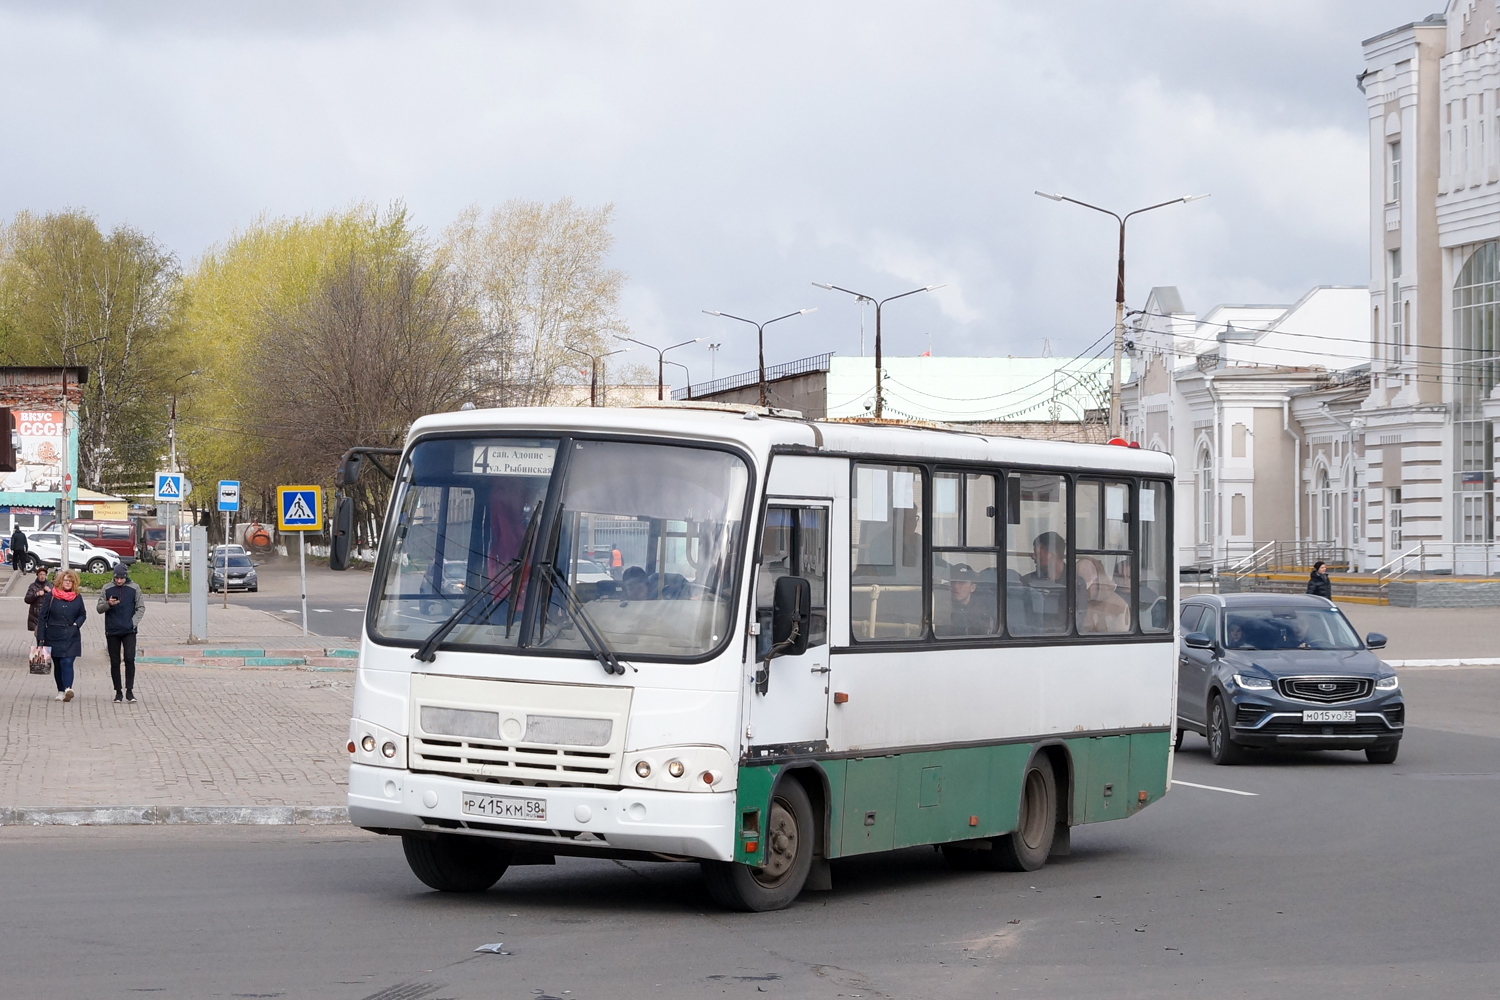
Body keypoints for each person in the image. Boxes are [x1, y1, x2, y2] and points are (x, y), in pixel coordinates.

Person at [98, 564, 146, 703]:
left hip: (129, 631)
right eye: (117, 578)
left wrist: (132, 623)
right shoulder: (107, 588)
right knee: (115, 662)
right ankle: (118, 692)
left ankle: (129, 691)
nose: (119, 581)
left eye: (122, 578)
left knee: (130, 659)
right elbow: (99, 608)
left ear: (126, 576)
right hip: (112, 630)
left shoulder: (134, 588)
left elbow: (141, 607)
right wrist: (109, 604)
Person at [37, 569, 86, 702]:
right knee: (58, 664)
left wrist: (76, 624)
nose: (68, 583)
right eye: (66, 580)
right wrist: (40, 638)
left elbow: (83, 614)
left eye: (70, 581)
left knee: (67, 661)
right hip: (53, 634)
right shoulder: (51, 596)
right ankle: (60, 690)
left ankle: (68, 689)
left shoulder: (77, 596)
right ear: (60, 581)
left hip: (71, 635)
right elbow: (42, 617)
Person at [944, 563, 996, 636]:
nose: (955, 586)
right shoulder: (942, 605)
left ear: (973, 587)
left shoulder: (984, 610)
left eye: (962, 582)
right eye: (953, 581)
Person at [24, 565, 51, 632]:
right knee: (38, 636)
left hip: (47, 614)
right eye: (40, 574)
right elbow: (27, 599)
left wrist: (49, 591)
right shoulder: (32, 586)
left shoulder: (50, 585)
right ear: (37, 575)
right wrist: (36, 594)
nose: (42, 576)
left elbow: (56, 599)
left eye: (44, 574)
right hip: (35, 615)